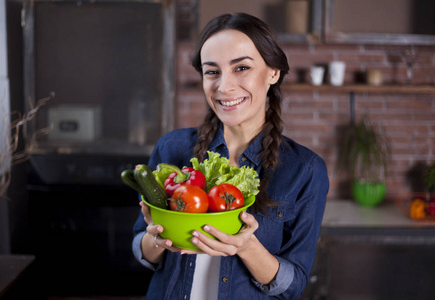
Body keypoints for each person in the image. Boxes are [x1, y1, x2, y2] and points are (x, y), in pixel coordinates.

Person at [132, 12, 329, 300]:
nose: (224, 86)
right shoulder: (171, 149)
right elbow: (142, 250)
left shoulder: (305, 170)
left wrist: (246, 247)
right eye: (212, 71)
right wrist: (155, 238)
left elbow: (293, 284)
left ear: (273, 72)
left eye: (241, 68)